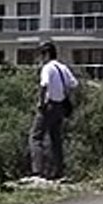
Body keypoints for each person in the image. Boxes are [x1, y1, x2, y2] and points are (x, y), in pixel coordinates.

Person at [29, 40, 78, 181]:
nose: (40, 58)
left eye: (41, 54)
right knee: (55, 139)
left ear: (47, 54)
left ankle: (38, 171)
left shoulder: (47, 68)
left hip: (49, 105)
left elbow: (44, 85)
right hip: (60, 106)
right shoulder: (62, 67)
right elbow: (74, 84)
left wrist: (40, 102)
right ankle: (58, 171)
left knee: (36, 137)